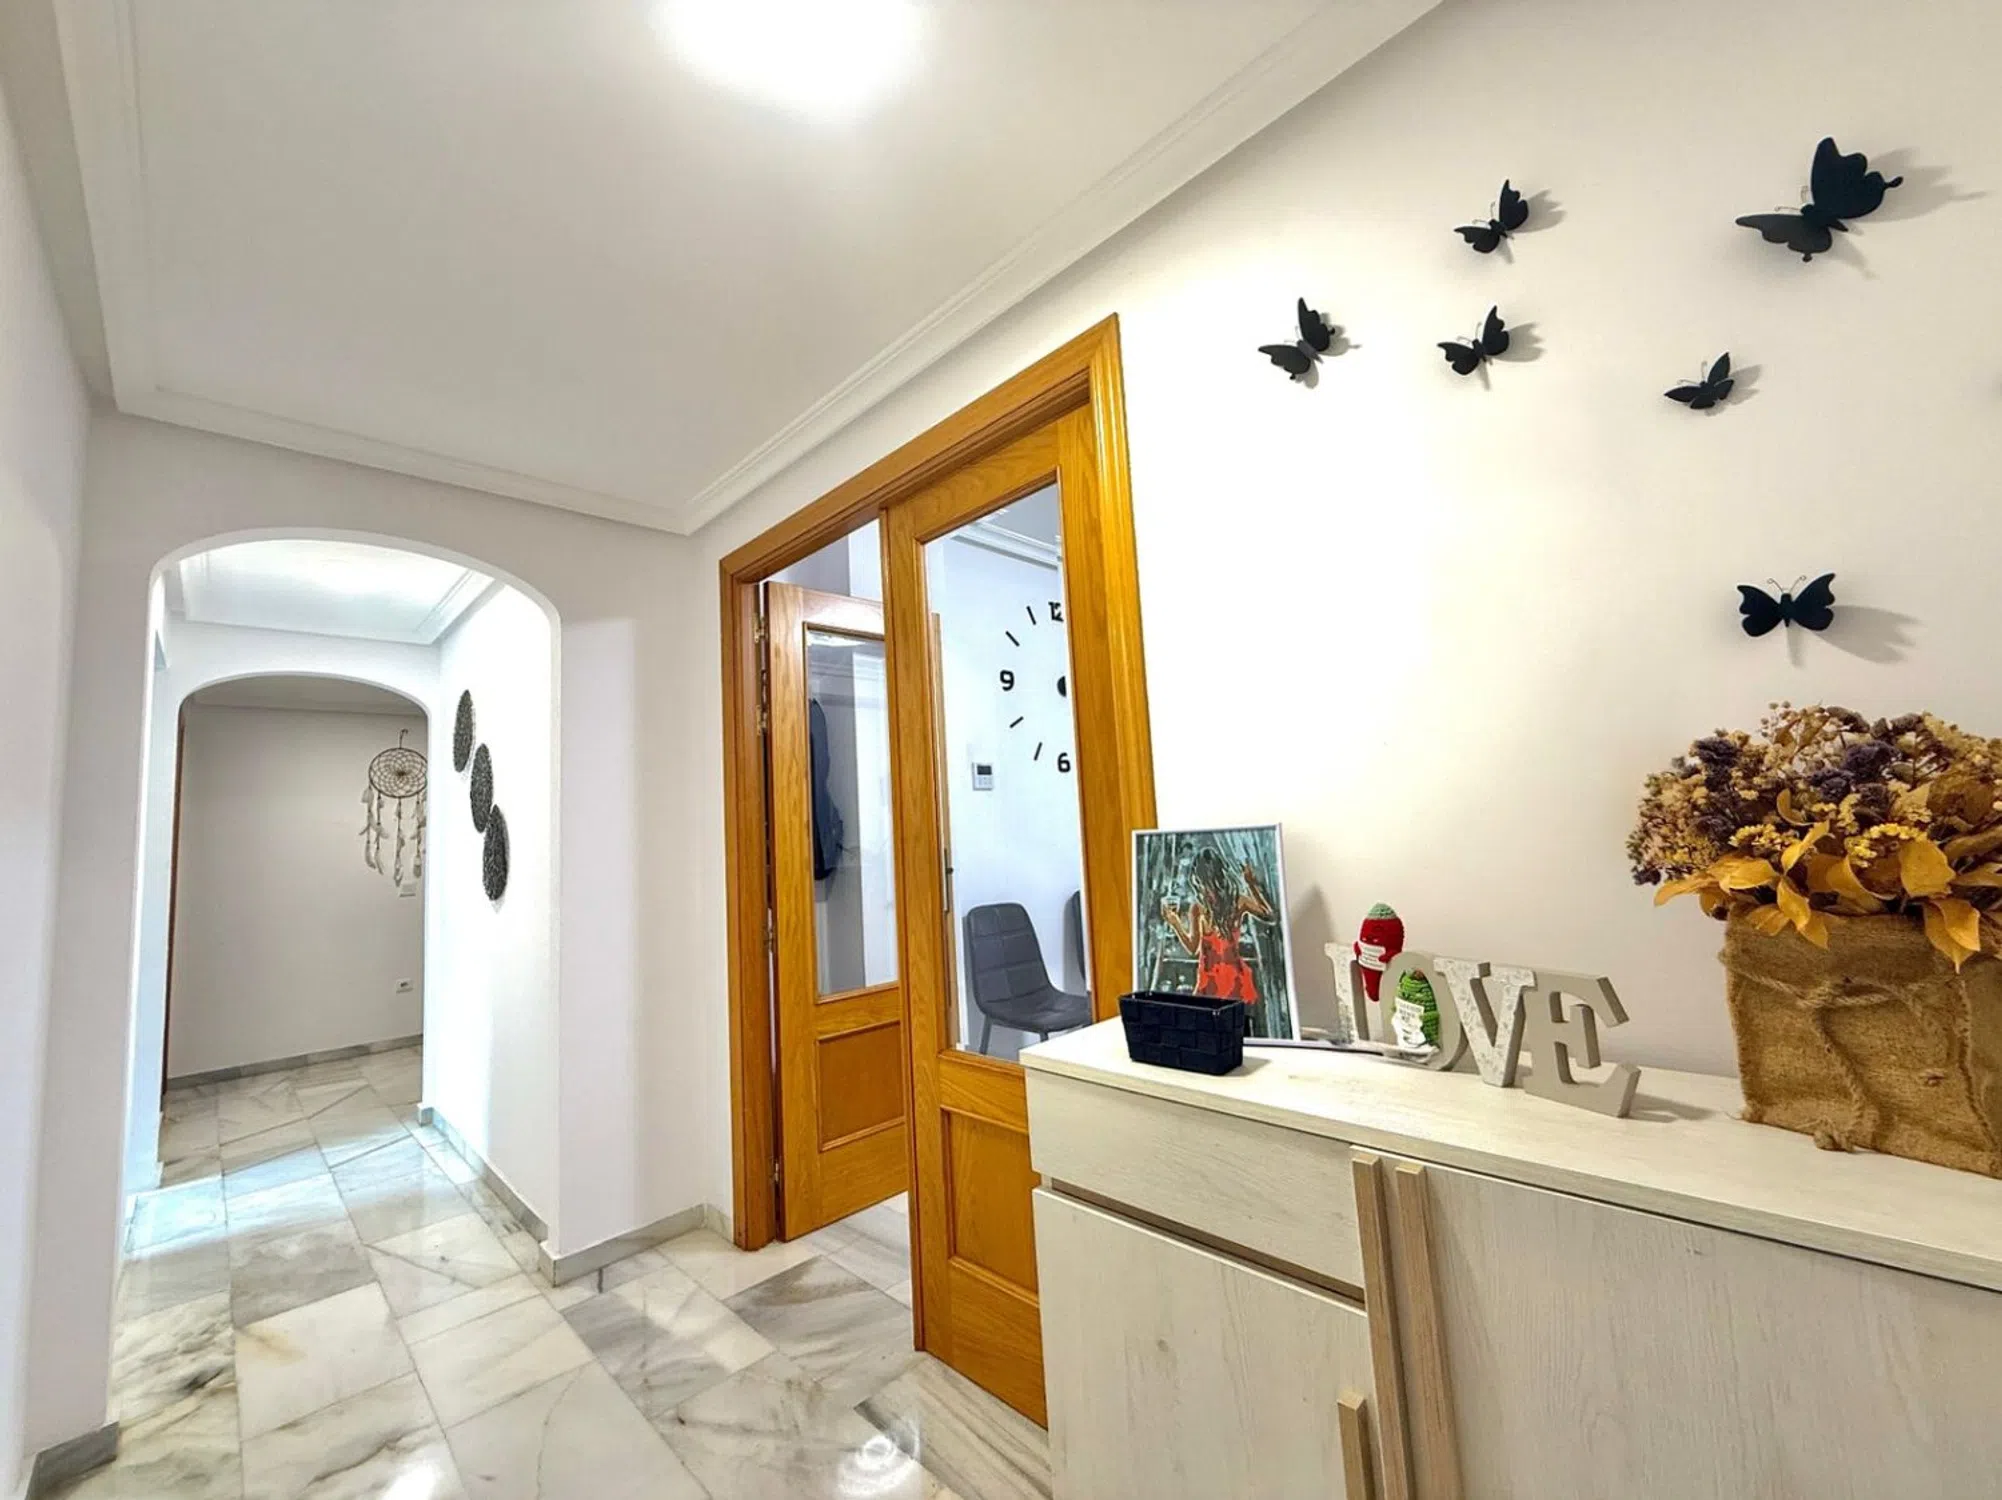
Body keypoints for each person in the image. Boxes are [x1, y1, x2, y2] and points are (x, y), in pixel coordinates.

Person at [1159, 846, 1277, 1005]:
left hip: (1232, 980)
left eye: (1205, 883)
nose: (1204, 889)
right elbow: (1193, 949)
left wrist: (1251, 885)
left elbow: (1270, 917)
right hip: (1211, 982)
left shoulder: (1237, 901)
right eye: (1201, 884)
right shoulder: (1200, 908)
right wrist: (1176, 924)